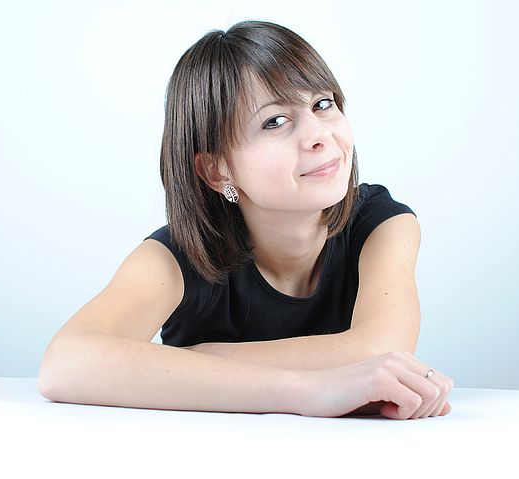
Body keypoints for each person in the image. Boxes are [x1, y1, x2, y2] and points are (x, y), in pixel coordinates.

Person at [38, 20, 453, 419]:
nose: (319, 134)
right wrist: (309, 392)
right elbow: (65, 364)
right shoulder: (173, 258)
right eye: (276, 121)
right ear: (218, 171)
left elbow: (380, 349)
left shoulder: (382, 224)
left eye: (322, 104)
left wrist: (190, 362)